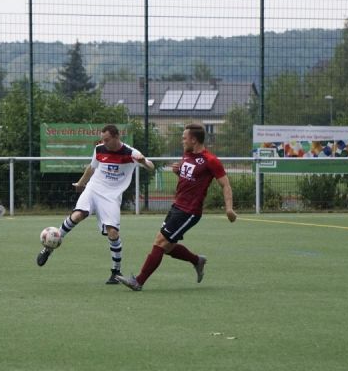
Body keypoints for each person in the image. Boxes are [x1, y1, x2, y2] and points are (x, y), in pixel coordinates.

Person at [116, 123, 237, 291]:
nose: (182, 141)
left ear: (193, 140)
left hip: (190, 211)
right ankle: (197, 260)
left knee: (160, 242)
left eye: (184, 138)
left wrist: (229, 209)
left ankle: (139, 281)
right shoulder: (187, 154)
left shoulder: (211, 160)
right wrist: (178, 171)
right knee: (168, 247)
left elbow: (226, 185)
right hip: (177, 206)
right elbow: (190, 177)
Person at [36, 124, 154, 284]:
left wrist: (144, 162)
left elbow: (151, 166)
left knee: (113, 233)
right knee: (78, 215)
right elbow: (91, 168)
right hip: (94, 188)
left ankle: (115, 272)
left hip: (111, 196)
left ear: (116, 137)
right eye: (102, 139)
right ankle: (49, 248)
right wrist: (80, 183)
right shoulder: (99, 149)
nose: (103, 142)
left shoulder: (131, 153)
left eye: (107, 140)